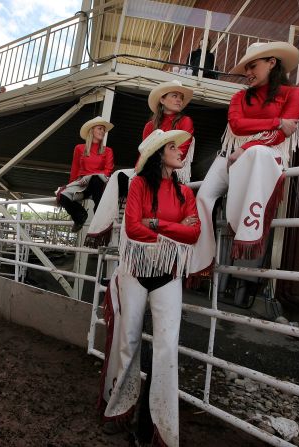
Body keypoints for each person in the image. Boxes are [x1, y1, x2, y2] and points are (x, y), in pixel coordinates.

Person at [99, 129, 201, 447]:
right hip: (135, 270)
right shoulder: (139, 184)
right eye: (173, 147)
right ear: (159, 154)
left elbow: (194, 233)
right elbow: (132, 227)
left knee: (167, 347)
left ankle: (162, 428)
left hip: (167, 273)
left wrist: (154, 223)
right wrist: (171, 230)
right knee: (128, 341)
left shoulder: (185, 192)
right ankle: (119, 410)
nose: (180, 151)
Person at [190, 41, 299, 275]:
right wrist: (276, 121)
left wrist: (249, 147)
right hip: (233, 154)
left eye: (253, 66)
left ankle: (244, 237)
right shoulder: (239, 97)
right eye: (246, 70)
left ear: (272, 63)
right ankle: (201, 262)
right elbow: (237, 125)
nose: (248, 74)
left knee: (255, 153)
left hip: (265, 154)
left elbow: (285, 133)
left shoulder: (295, 93)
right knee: (203, 196)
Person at [55, 116, 114, 232]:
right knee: (62, 195)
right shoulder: (79, 148)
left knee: (96, 179)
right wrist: (71, 184)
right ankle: (80, 216)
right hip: (82, 184)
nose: (102, 131)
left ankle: (99, 220)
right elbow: (75, 168)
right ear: (92, 130)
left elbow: (108, 171)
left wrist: (90, 176)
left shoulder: (108, 150)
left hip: (98, 184)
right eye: (99, 128)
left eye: (103, 129)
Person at [142, 80, 195, 183]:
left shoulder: (186, 121)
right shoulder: (150, 126)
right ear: (162, 100)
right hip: (150, 173)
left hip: (173, 175)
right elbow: (144, 154)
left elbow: (181, 152)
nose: (179, 100)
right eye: (175, 96)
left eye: (181, 97)